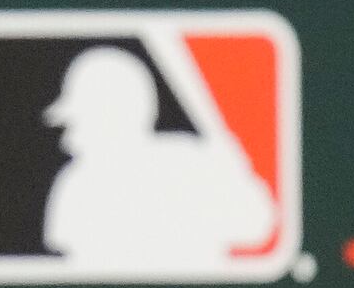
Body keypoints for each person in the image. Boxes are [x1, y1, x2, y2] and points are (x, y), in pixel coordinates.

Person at [40, 45, 276, 272]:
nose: (68, 130)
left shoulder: (189, 164)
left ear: (111, 115)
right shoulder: (78, 183)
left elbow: (257, 224)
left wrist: (229, 175)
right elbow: (71, 264)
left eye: (80, 118)